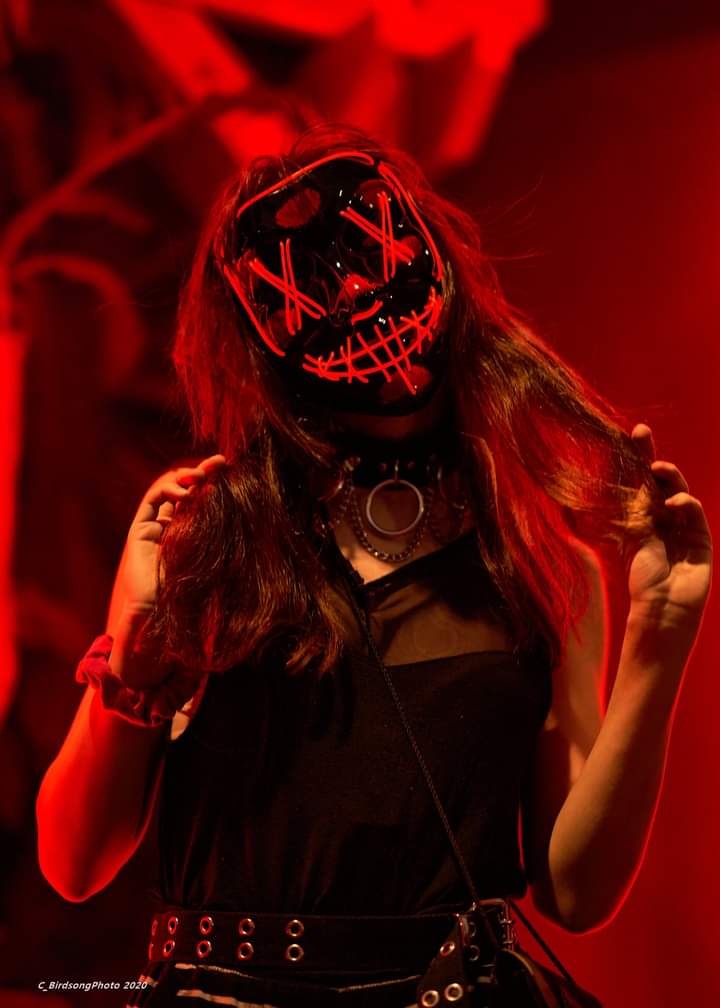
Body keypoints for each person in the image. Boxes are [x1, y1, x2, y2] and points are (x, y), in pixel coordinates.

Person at [36, 125, 711, 1008]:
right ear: (260, 324)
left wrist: (661, 636)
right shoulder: (215, 542)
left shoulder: (542, 566)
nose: (354, 291)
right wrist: (131, 658)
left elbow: (577, 895)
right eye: (313, 280)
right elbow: (74, 863)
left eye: (362, 255)